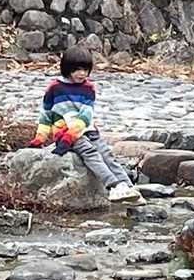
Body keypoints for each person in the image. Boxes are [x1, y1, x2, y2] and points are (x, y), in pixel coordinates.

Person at [29, 45, 142, 203]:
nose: (82, 74)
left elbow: (86, 115)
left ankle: (130, 188)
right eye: (77, 69)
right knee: (90, 152)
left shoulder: (88, 88)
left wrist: (73, 134)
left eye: (85, 70)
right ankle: (114, 187)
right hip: (65, 133)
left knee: (107, 155)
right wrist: (40, 138)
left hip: (86, 129)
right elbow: (46, 114)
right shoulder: (55, 88)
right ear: (67, 68)